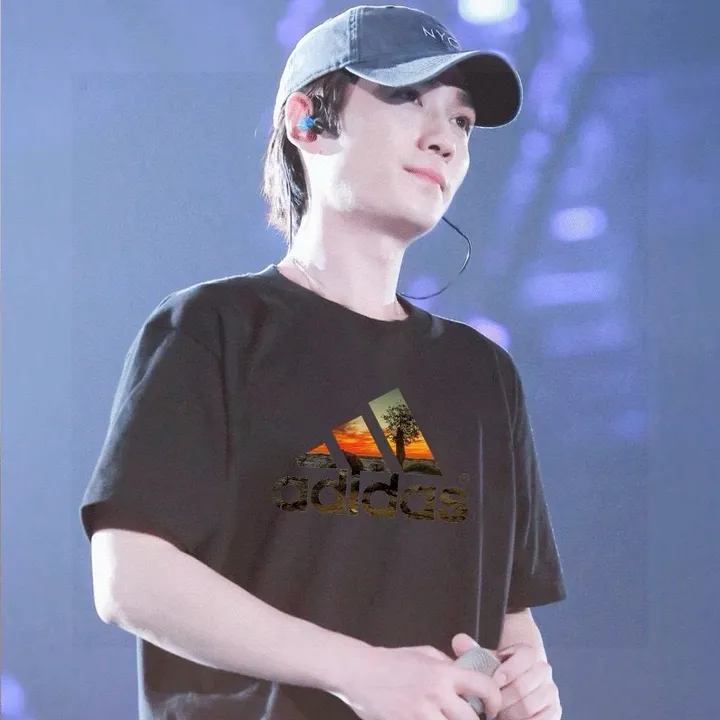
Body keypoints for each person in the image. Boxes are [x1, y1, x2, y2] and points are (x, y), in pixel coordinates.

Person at [80, 5, 567, 720]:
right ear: (307, 121)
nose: (445, 138)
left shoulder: (482, 374)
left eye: (462, 121)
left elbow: (507, 612)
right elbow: (131, 577)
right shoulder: (212, 330)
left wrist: (528, 680)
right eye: (407, 98)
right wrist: (362, 673)